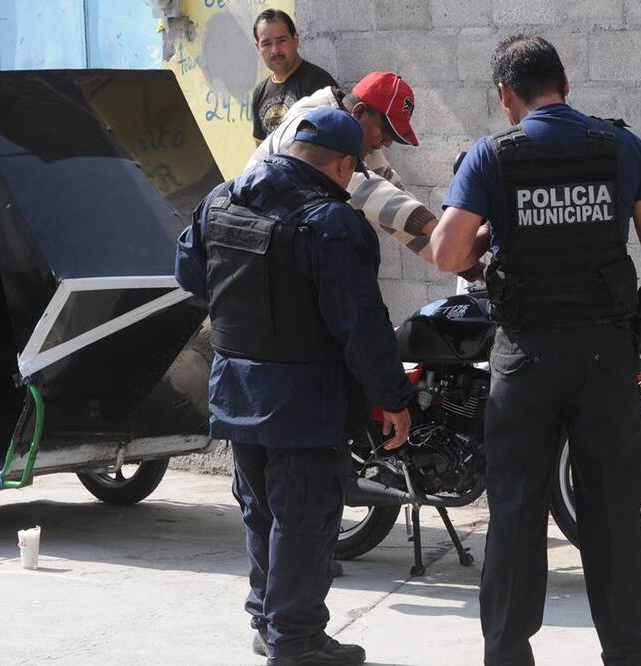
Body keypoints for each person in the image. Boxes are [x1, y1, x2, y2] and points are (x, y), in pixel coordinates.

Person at [432, 35, 641, 666]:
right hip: (605, 356)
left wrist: (493, 230)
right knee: (613, 513)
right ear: (566, 86)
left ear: (505, 95)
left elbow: (447, 253)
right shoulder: (621, 146)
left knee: (516, 512)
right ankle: (629, 654)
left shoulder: (491, 156)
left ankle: (507, 654)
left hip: (526, 360)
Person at [176, 107, 413, 666]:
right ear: (344, 164)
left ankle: (269, 623)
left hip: (237, 391)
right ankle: (296, 641)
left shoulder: (222, 198)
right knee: (305, 520)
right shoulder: (331, 223)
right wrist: (393, 399)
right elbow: (360, 323)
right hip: (304, 402)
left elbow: (190, 274)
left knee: (262, 512)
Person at [248, 71, 484, 278]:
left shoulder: (350, 132)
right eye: (385, 132)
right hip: (254, 245)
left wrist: (463, 264)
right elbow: (364, 190)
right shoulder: (309, 126)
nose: (387, 143)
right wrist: (433, 226)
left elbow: (392, 194)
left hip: (277, 245)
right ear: (359, 112)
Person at [251, 9, 337, 145]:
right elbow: (261, 147)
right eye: (266, 44)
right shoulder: (260, 93)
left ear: (295, 40)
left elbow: (336, 142)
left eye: (281, 40)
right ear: (258, 48)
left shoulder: (320, 84)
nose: (275, 50)